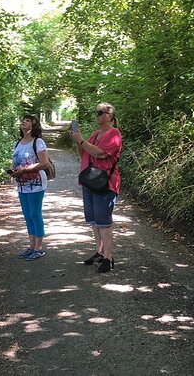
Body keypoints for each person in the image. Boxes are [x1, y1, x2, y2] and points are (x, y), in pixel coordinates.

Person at [70, 103, 122, 273]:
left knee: (104, 222)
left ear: (111, 116)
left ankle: (109, 258)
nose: (98, 115)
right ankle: (99, 252)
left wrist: (81, 140)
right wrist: (79, 141)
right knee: (94, 221)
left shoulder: (114, 134)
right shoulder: (94, 134)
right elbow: (83, 154)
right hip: (90, 181)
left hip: (105, 183)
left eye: (102, 112)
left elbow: (99, 153)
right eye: (97, 112)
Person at [11, 115, 51, 261]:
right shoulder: (18, 143)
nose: (23, 122)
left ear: (33, 125)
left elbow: (44, 163)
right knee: (27, 216)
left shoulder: (38, 142)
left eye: (27, 120)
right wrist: (13, 172)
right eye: (22, 120)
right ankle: (31, 246)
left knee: (35, 214)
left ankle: (39, 248)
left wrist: (25, 170)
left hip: (36, 184)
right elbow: (14, 162)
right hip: (22, 185)